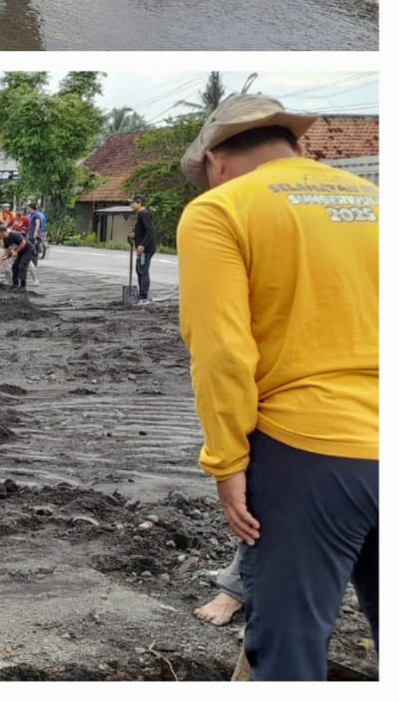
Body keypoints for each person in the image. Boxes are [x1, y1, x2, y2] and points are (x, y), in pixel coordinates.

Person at [176, 93, 378, 682]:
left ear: (215, 162)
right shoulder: (378, 201)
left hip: (310, 452)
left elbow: (221, 350)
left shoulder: (221, 210)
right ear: (301, 147)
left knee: (289, 646)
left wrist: (226, 461)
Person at [0, 223, 35, 290]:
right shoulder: (5, 239)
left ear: (3, 232)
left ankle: (23, 286)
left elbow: (23, 242)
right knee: (14, 267)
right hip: (20, 251)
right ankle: (15, 284)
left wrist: (16, 252)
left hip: (28, 250)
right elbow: (8, 249)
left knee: (22, 266)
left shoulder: (14, 234)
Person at [129, 194, 157, 303]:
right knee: (139, 269)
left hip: (145, 249)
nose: (131, 205)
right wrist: (134, 235)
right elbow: (143, 231)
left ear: (139, 202)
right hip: (142, 248)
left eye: (132, 203)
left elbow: (150, 231)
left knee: (143, 270)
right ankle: (142, 294)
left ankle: (144, 296)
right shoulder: (140, 215)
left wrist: (142, 245)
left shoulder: (144, 214)